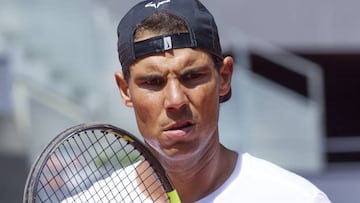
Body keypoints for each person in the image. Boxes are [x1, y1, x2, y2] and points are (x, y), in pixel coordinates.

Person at [67, 0, 332, 202]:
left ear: (224, 77)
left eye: (192, 76)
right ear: (125, 90)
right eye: (153, 82)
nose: (175, 100)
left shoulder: (294, 198)